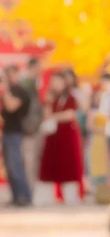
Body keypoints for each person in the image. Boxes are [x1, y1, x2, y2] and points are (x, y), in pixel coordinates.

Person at [34, 71, 84, 206]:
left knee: (67, 166)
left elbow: (70, 115)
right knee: (49, 165)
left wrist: (55, 117)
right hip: (52, 137)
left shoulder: (70, 98)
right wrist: (49, 102)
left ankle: (71, 197)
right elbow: (46, 115)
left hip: (66, 136)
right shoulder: (50, 98)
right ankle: (46, 197)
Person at [0, 64, 32, 206]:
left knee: (16, 165)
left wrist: (5, 89)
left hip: (16, 133)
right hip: (6, 132)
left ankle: (24, 196)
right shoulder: (10, 90)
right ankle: (15, 197)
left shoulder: (20, 91)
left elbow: (11, 106)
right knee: (9, 167)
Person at [19, 55, 44, 188]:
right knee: (29, 160)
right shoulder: (26, 83)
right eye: (39, 67)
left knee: (32, 160)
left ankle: (30, 189)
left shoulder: (33, 83)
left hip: (33, 126)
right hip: (28, 127)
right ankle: (28, 190)